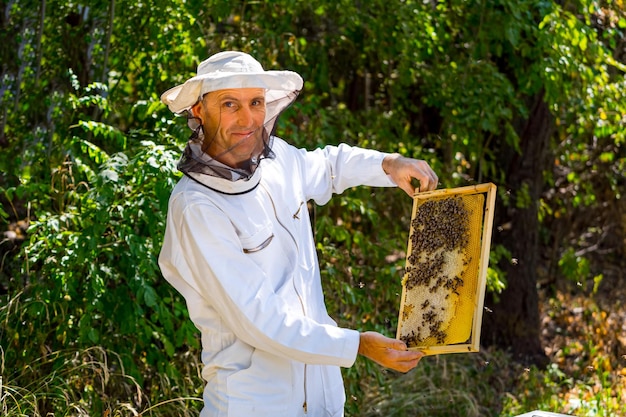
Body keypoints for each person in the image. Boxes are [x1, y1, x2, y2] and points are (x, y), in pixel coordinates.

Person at [158, 50, 438, 417]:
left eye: (255, 102)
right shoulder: (197, 208)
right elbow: (261, 320)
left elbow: (329, 165)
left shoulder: (277, 161)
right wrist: (358, 345)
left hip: (322, 398)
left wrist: (387, 163)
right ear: (199, 110)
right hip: (254, 406)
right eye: (230, 104)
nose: (248, 118)